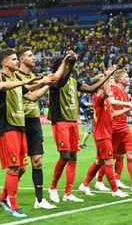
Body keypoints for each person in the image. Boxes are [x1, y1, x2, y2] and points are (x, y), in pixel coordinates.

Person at [48, 51, 115, 203]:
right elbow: (61, 81)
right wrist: (69, 63)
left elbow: (91, 89)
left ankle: (68, 193)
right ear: (61, 66)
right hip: (60, 120)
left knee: (73, 157)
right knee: (64, 156)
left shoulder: (73, 81)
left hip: (72, 121)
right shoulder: (54, 80)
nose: (73, 67)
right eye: (69, 65)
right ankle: (53, 187)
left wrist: (108, 76)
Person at [0, 48, 52, 217]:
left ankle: (3, 198)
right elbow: (1, 86)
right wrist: (25, 82)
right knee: (14, 167)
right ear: (5, 63)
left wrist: (46, 83)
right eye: (13, 59)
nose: (16, 62)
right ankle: (13, 207)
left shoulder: (17, 81)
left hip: (20, 126)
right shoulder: (1, 77)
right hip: (7, 126)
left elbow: (32, 96)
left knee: (20, 167)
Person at [15, 47, 58, 210]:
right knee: (21, 167)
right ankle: (5, 195)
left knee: (38, 161)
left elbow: (46, 83)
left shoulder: (33, 77)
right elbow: (33, 96)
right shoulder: (16, 77)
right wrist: (47, 83)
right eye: (30, 56)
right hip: (19, 122)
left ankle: (39, 200)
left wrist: (49, 80)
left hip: (33, 122)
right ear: (21, 59)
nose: (34, 58)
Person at [78, 71, 132, 198]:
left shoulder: (105, 100)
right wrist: (109, 76)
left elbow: (112, 114)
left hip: (105, 134)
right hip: (102, 135)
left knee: (100, 162)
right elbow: (107, 93)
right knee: (109, 162)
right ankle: (115, 190)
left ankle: (84, 185)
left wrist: (127, 109)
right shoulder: (98, 97)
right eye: (105, 81)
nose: (109, 82)